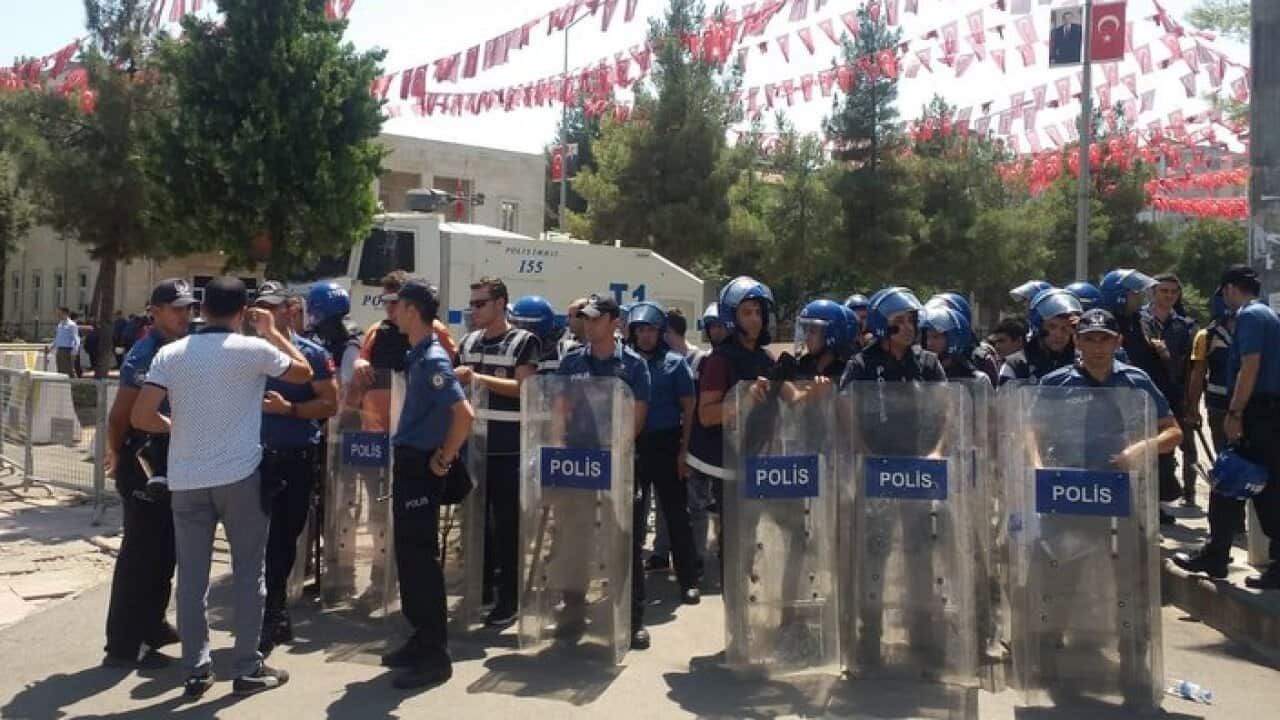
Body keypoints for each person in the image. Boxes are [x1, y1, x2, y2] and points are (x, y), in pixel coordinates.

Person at [130, 276, 313, 698]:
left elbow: (142, 416)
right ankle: (247, 666)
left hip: (187, 479)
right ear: (242, 310)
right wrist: (271, 332)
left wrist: (175, 428)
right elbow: (303, 373)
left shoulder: (171, 355)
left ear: (202, 308)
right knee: (250, 574)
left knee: (192, 579)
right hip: (240, 477)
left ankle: (196, 669)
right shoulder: (253, 350)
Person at [379, 279, 475, 689]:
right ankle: (420, 638)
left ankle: (434, 653)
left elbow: (463, 414)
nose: (392, 311)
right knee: (409, 555)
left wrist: (443, 459)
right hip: (411, 464)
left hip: (421, 467)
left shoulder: (432, 358)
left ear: (413, 310)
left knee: (420, 560)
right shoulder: (419, 354)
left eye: (397, 305)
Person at [102, 279, 196, 669]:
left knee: (165, 550)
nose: (185, 315)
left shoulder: (179, 348)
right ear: (155, 311)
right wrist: (114, 453)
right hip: (142, 463)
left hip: (170, 462)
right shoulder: (146, 353)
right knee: (140, 554)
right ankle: (123, 645)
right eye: (176, 308)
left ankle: (151, 624)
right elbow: (121, 415)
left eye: (188, 307)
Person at [1174, 265, 1280, 589]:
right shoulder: (1266, 315)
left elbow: (1250, 366)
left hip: (1259, 413)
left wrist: (1235, 412)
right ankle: (1217, 553)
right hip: (1265, 413)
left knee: (1249, 482)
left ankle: (1219, 553)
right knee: (1236, 480)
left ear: (1231, 288)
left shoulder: (1250, 316)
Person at [556, 294, 652, 647]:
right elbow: (559, 410)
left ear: (614, 322)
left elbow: (637, 418)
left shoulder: (635, 366)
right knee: (573, 540)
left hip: (617, 462)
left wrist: (614, 452)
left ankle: (631, 618)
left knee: (624, 540)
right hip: (576, 464)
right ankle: (573, 613)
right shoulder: (570, 361)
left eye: (596, 319)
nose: (589, 324)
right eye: (586, 318)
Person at [252, 282, 339, 655]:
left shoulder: (312, 354)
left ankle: (274, 609)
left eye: (271, 307)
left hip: (294, 456)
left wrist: (289, 409)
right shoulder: (245, 351)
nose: (263, 314)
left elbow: (330, 404)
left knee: (285, 539)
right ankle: (264, 611)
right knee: (253, 542)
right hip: (251, 458)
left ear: (289, 310)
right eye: (260, 307)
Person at [454, 277, 538, 627]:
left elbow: (525, 388)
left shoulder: (523, 341)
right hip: (473, 447)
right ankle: (482, 587)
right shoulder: (468, 341)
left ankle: (509, 598)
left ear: (501, 303)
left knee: (507, 527)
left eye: (480, 304)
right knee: (475, 524)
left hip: (509, 448)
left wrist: (477, 378)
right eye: (472, 304)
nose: (473, 310)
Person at [625, 301, 700, 650]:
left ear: (660, 332)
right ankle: (632, 587)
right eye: (640, 329)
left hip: (668, 445)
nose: (645, 335)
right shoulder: (626, 363)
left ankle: (687, 580)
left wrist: (684, 450)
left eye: (651, 329)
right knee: (635, 520)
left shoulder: (675, 364)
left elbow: (689, 407)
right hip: (636, 446)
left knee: (676, 515)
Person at [690, 277, 778, 574]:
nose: (755, 319)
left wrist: (814, 389)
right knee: (736, 543)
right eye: (747, 312)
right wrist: (744, 399)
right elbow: (706, 415)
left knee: (752, 539)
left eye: (758, 312)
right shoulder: (720, 360)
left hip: (758, 460)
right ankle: (735, 608)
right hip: (729, 465)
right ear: (732, 317)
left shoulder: (766, 357)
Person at [1101, 268, 1180, 524]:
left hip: (1145, 397)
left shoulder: (1138, 321)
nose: (1139, 298)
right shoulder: (1109, 324)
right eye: (1134, 293)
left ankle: (1148, 509)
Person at [1144, 273, 1199, 506]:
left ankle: (1190, 493)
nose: (1169, 296)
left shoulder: (1186, 326)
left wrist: (1191, 400)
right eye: (1164, 291)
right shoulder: (1140, 322)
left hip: (1176, 394)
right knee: (1152, 450)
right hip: (1145, 395)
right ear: (1153, 292)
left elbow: (1192, 365)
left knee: (1188, 446)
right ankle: (1155, 501)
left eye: (1173, 292)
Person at [840, 287, 946, 386]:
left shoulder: (929, 362)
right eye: (899, 321)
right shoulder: (860, 365)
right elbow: (847, 402)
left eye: (911, 320)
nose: (908, 327)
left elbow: (944, 402)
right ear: (881, 326)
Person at [999, 289, 1083, 386]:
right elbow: (1003, 399)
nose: (1059, 335)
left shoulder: (1081, 363)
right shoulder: (1016, 365)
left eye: (1065, 328)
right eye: (1052, 327)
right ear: (1038, 328)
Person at [1185, 290, 1235, 452]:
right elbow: (1198, 375)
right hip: (1221, 406)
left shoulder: (1205, 335)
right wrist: (1193, 407)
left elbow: (1198, 375)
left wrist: (1194, 407)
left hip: (1237, 405)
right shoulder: (1206, 336)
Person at [306, 281, 361, 387]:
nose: (314, 324)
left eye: (316, 317)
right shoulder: (329, 341)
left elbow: (347, 390)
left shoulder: (350, 348)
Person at [795, 299, 856, 381]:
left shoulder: (848, 369)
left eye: (812, 331)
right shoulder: (804, 363)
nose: (806, 337)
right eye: (805, 330)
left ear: (831, 334)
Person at [921, 305, 985, 381]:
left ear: (952, 339)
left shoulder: (975, 378)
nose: (929, 343)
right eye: (927, 337)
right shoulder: (920, 373)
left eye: (936, 337)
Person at [509, 294, 565, 374]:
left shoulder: (563, 351)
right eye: (515, 323)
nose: (516, 329)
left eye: (521, 324)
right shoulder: (512, 348)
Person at [50, 306, 78, 376]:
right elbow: (57, 338)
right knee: (61, 370)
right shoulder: (60, 325)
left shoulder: (71, 325)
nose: (58, 315)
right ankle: (63, 386)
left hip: (68, 350)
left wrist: (74, 351)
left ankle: (75, 386)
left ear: (66, 314)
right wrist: (51, 346)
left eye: (60, 314)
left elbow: (76, 339)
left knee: (69, 370)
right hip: (60, 350)